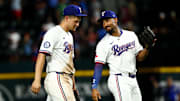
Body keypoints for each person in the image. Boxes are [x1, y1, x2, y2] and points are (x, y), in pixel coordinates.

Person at [91, 10, 152, 101]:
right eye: (103, 22)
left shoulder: (131, 35)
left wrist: (147, 48)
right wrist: (94, 87)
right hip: (118, 79)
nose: (105, 24)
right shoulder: (103, 44)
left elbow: (140, 57)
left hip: (133, 79)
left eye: (107, 20)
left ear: (115, 20)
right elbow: (98, 66)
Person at [31, 4, 87, 101]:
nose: (78, 24)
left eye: (79, 22)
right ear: (67, 18)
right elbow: (41, 55)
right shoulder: (53, 32)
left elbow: (70, 62)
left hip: (66, 79)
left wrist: (73, 85)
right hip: (57, 77)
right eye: (76, 21)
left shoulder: (70, 36)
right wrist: (37, 80)